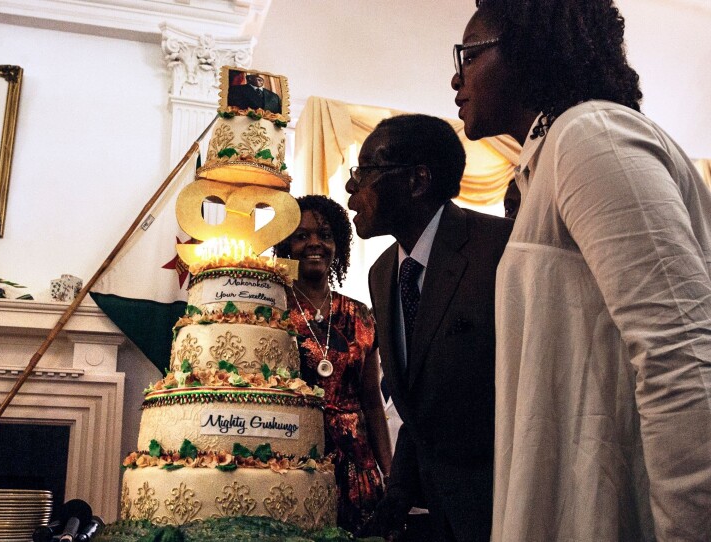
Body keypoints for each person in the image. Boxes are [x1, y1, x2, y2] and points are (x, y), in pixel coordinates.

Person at [451, 1, 711, 540]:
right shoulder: (549, 156)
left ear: (527, 50)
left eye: (469, 55)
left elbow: (683, 356)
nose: (456, 76)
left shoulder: (593, 136)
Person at [351, 114, 513, 542]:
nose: (352, 188)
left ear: (417, 180)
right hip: (435, 518)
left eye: (365, 171)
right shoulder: (383, 273)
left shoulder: (501, 249)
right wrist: (398, 495)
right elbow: (421, 408)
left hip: (507, 510)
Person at [274, 195, 392, 533]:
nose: (314, 243)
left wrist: (390, 473)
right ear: (286, 245)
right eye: (301, 235)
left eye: (325, 235)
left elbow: (371, 400)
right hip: (297, 460)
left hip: (358, 468)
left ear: (337, 245)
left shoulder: (361, 315)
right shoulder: (272, 312)